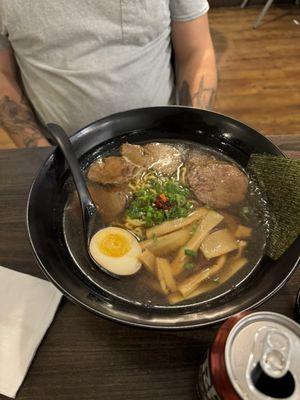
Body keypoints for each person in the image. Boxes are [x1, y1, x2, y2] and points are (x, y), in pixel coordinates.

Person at [0, 0, 217, 148]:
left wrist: (191, 136)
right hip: (60, 151)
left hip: (164, 139)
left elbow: (196, 52)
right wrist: (38, 150)